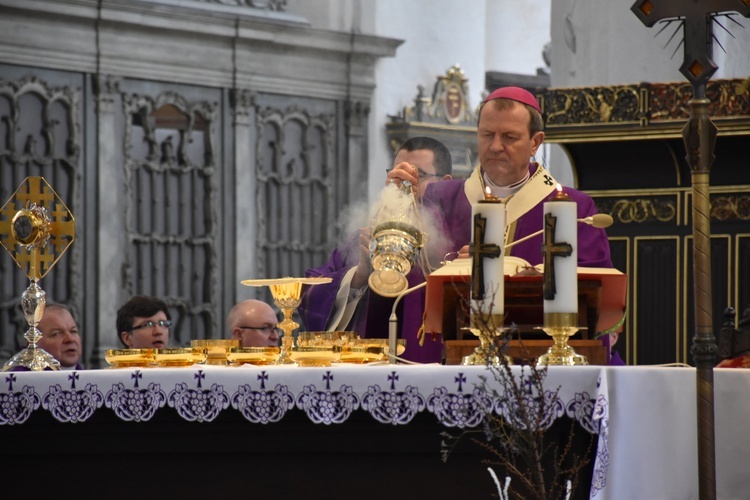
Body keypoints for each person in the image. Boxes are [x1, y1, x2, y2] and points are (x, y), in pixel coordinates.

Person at [397, 86, 615, 363]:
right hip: (449, 361)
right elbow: (406, 276)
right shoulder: (439, 199)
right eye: (487, 135)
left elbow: (596, 293)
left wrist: (518, 271)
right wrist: (396, 205)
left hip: (540, 363)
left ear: (535, 142)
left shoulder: (575, 208)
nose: (496, 146)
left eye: (509, 137)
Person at [299, 136, 454, 363]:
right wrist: (360, 274)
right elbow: (314, 292)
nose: (403, 183)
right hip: (368, 371)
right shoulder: (367, 234)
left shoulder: (454, 233)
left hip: (431, 367)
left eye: (417, 176)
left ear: (445, 182)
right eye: (396, 174)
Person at [36, 303, 84, 370]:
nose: (70, 339)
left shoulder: (92, 379)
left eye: (73, 331)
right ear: (34, 344)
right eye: (57, 334)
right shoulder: (21, 379)